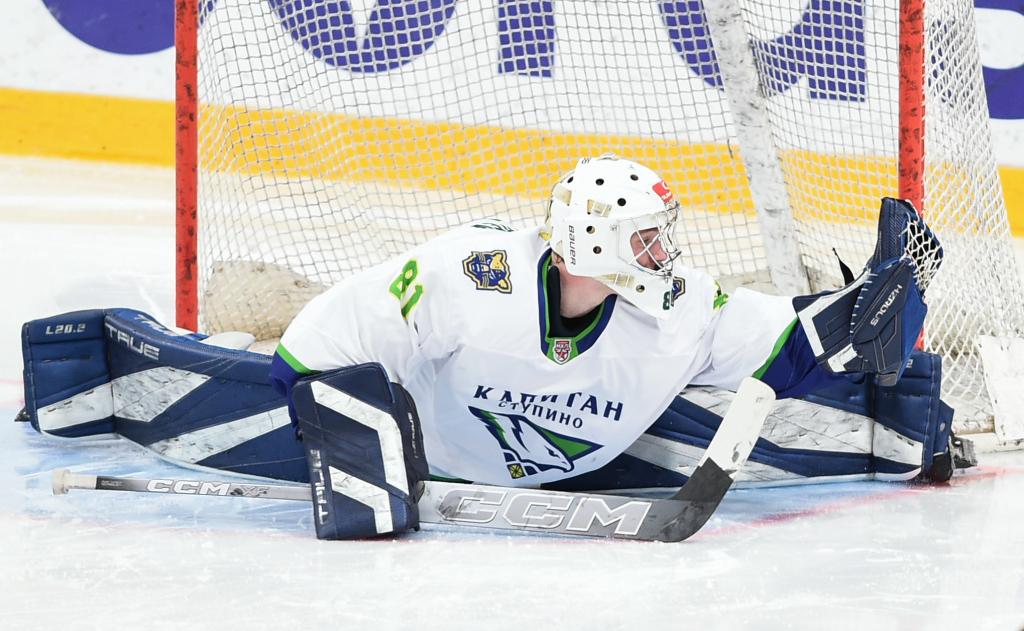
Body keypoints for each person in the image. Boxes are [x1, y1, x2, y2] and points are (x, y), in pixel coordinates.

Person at [265, 154, 956, 538]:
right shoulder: (470, 275)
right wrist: (355, 447)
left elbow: (784, 343)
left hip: (585, 470)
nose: (666, 254)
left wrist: (863, 317)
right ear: (591, 244)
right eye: (647, 240)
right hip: (436, 457)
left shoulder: (678, 308)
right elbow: (312, 347)